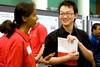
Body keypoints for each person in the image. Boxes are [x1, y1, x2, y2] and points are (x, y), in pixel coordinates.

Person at [42, 1, 96, 67]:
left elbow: (90, 57)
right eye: (62, 13)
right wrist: (68, 58)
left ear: (75, 15)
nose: (64, 17)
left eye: (68, 13)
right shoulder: (52, 36)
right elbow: (46, 60)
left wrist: (79, 43)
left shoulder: (83, 34)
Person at [4, 2, 54, 67]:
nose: (37, 18)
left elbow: (25, 61)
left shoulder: (25, 37)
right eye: (34, 15)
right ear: (24, 18)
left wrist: (40, 60)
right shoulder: (18, 41)